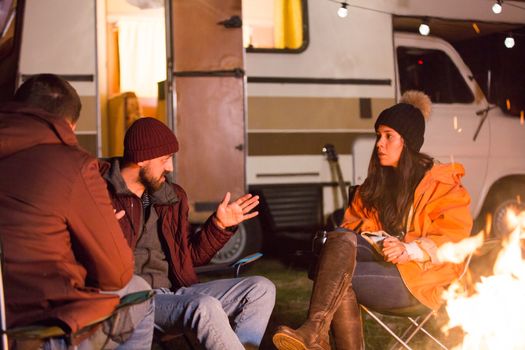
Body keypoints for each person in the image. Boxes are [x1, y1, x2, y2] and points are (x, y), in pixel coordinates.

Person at [272, 91, 473, 350]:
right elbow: (351, 228)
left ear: (408, 143)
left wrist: (409, 249)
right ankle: (315, 332)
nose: (380, 143)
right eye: (379, 136)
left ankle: (314, 331)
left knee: (337, 279)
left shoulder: (442, 185)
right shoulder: (375, 186)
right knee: (340, 241)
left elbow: (454, 238)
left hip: (425, 279)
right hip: (384, 263)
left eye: (389, 136)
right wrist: (382, 240)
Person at [0, 74, 154, 349]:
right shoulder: (74, 165)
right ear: (69, 124)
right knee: (140, 290)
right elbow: (116, 274)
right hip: (42, 324)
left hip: (4, 316)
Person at [101, 117, 276, 349]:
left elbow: (188, 259)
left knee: (261, 289)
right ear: (141, 159)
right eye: (165, 159)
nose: (171, 168)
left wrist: (219, 227)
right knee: (204, 306)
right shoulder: (100, 193)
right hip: (134, 298)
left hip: (175, 292)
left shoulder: (171, 197)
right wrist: (100, 235)